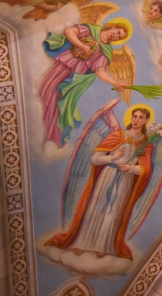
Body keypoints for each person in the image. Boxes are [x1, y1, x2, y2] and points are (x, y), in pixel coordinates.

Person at [44, 107, 155, 261]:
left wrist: (130, 167)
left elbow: (145, 170)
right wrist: (112, 158)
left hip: (125, 181)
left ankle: (105, 247)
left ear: (145, 120)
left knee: (114, 211)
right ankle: (82, 243)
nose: (136, 120)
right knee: (95, 208)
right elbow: (94, 159)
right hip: (107, 177)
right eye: (134, 116)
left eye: (140, 117)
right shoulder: (118, 135)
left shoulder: (146, 144)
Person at [39, 20, 130, 146]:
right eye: (118, 32)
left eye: (119, 37)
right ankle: (40, 124)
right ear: (114, 26)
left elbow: (100, 71)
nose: (116, 36)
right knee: (45, 90)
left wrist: (115, 83)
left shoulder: (105, 50)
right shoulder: (92, 30)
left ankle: (50, 132)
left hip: (75, 77)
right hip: (64, 63)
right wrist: (82, 46)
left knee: (58, 102)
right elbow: (70, 32)